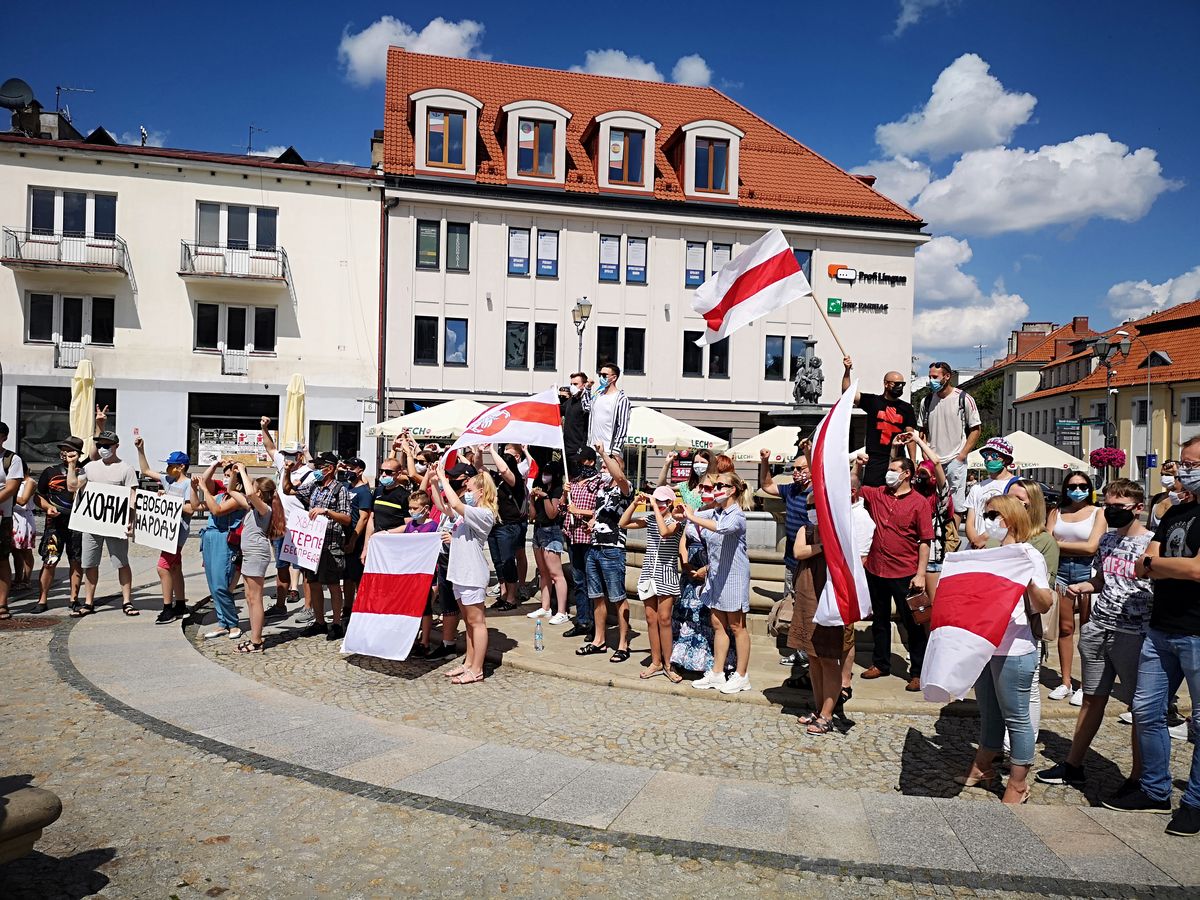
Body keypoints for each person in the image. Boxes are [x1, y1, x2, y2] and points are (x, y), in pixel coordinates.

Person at [1105, 437, 1200, 836]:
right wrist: (1160, 564)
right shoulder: (1177, 511)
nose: (1183, 470)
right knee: (1145, 711)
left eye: (1191, 463)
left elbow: (1196, 570)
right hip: (1161, 628)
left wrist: (1157, 563)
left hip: (1196, 631)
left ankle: (1194, 802)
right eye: (1182, 462)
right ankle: (1155, 788)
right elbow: (1144, 566)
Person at [1037, 479, 1152, 792]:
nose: (1112, 512)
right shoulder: (1107, 542)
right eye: (1108, 506)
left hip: (1133, 632)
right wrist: (1082, 587)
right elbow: (1102, 580)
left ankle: (1138, 777)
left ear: (1138, 509)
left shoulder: (1151, 543)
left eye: (1119, 507)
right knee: (1091, 698)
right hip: (1099, 626)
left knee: (1137, 707)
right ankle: (1074, 764)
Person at [956, 495, 1055, 804]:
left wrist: (1026, 582)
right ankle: (983, 766)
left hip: (1015, 645)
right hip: (987, 644)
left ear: (1008, 519)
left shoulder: (1028, 555)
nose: (986, 520)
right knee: (989, 711)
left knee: (1017, 717)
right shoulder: (991, 552)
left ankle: (1018, 782)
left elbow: (1044, 603)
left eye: (991, 514)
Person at [858, 455, 933, 692]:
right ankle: (880, 663)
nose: (888, 473)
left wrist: (920, 574)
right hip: (876, 568)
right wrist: (858, 465)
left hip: (905, 572)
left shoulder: (919, 502)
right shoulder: (879, 493)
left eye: (893, 469)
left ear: (906, 474)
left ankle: (919, 672)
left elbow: (925, 540)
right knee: (879, 620)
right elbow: (855, 486)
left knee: (913, 624)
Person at [1001, 478, 1059, 749]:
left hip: (1026, 622)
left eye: (1020, 501)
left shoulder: (1042, 541)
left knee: (1029, 689)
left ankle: (1020, 744)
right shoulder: (997, 536)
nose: (1013, 505)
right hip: (999, 623)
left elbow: (1044, 587)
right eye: (1009, 499)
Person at [431, 459, 498, 684]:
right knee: (468, 622)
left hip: (472, 573)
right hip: (459, 572)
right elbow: (445, 507)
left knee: (476, 621)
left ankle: (477, 668)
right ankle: (468, 663)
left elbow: (457, 505)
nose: (465, 493)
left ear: (481, 491)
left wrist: (443, 478)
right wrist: (434, 481)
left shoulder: (485, 513)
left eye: (469, 490)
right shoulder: (468, 513)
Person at [65, 412, 138, 618]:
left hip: (116, 524)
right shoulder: (90, 467)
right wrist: (72, 465)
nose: (103, 449)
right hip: (92, 524)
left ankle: (127, 601)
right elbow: (73, 486)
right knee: (90, 563)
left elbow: (132, 497)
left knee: (121, 562)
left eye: (107, 445)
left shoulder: (126, 468)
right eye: (100, 445)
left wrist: (131, 522)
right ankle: (89, 602)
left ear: (115, 446)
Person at [686, 472, 753, 694]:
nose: (715, 488)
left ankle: (742, 675)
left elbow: (722, 529)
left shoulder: (737, 515)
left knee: (737, 626)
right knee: (718, 624)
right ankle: (717, 672)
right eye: (714, 485)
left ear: (732, 490)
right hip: (716, 576)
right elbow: (697, 523)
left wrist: (692, 517)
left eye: (720, 485)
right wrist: (682, 516)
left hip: (733, 577)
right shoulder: (715, 512)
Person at [1047, 470, 1105, 704]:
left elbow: (1092, 547)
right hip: (1061, 572)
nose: (1077, 490)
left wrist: (1061, 545)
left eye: (1082, 485)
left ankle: (1086, 684)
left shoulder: (1098, 513)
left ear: (1089, 488)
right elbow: (1048, 542)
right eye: (1072, 486)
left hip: (1086, 571)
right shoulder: (1057, 511)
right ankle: (1066, 682)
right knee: (1065, 628)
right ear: (1065, 489)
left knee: (1088, 630)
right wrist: (1070, 546)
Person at [282, 451, 352, 641]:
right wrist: (286, 472)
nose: (316, 470)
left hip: (330, 544)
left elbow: (346, 518)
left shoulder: (340, 490)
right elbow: (288, 490)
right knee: (313, 583)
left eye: (320, 467)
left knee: (333, 585)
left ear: (330, 469)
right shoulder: (314, 486)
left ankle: (336, 623)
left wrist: (327, 512)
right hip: (312, 547)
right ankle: (320, 622)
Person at [576, 445, 634, 662]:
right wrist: (592, 522)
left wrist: (603, 454)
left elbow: (619, 476)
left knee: (618, 597)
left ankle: (623, 644)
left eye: (607, 465)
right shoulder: (602, 489)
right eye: (602, 466)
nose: (603, 468)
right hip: (595, 546)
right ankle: (599, 640)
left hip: (613, 549)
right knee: (597, 596)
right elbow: (600, 513)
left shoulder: (625, 487)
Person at [621, 485, 683, 682]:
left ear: (670, 502)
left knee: (665, 619)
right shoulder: (650, 518)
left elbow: (665, 532)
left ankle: (668, 663)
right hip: (649, 572)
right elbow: (623, 523)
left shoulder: (678, 521)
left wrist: (655, 507)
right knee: (650, 618)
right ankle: (656, 662)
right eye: (658, 500)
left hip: (666, 572)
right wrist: (635, 503)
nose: (660, 504)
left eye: (664, 501)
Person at [134, 438, 196, 625]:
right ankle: (180, 604)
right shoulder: (168, 479)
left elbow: (190, 509)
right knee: (175, 568)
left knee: (163, 567)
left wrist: (169, 499)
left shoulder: (187, 484)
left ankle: (168, 608)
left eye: (172, 465)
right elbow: (145, 471)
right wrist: (141, 450)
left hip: (177, 533)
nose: (169, 468)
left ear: (182, 467)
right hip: (167, 532)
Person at [759, 447, 812, 666]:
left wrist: (811, 456)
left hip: (810, 559)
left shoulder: (816, 491)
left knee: (808, 606)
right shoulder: (791, 489)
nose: (796, 472)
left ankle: (810, 651)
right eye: (794, 469)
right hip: (792, 559)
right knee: (793, 603)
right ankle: (799, 650)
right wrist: (765, 461)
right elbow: (767, 486)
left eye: (801, 468)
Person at [916, 361, 982, 528]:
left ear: (947, 376)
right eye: (930, 377)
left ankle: (950, 540)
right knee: (928, 499)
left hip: (954, 459)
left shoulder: (963, 398)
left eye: (935, 377)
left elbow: (976, 429)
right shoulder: (927, 400)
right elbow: (922, 430)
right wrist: (925, 453)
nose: (931, 380)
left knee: (956, 503)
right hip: (932, 459)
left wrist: (962, 456)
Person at [227, 466, 284, 653]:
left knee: (256, 597)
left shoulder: (264, 509)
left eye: (253, 486)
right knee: (250, 596)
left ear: (259, 492)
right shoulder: (252, 507)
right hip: (250, 554)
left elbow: (250, 493)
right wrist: (235, 473)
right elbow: (231, 490)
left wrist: (244, 470)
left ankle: (257, 641)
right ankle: (255, 635)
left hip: (257, 554)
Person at [841, 355, 917, 487]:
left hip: (898, 459)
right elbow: (848, 393)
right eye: (896, 384)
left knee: (895, 493)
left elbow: (910, 437)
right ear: (886, 384)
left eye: (902, 384)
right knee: (872, 491)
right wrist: (847, 371)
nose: (899, 387)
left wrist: (913, 460)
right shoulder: (873, 401)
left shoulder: (907, 408)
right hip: (875, 458)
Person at [261, 417, 310, 614]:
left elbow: (292, 490)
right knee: (281, 566)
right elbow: (270, 448)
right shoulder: (282, 463)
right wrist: (264, 428)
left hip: (299, 526)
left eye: (291, 455)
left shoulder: (307, 472)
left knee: (303, 567)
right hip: (281, 524)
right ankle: (280, 605)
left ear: (299, 456)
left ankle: (308, 606)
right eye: (285, 455)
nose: (287, 459)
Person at [193, 460, 247, 638]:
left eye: (228, 475)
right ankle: (222, 622)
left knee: (221, 584)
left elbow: (216, 511)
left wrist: (205, 490)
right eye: (224, 475)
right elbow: (195, 505)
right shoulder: (219, 495)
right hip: (209, 538)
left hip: (224, 540)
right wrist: (215, 464)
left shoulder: (237, 498)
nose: (225, 478)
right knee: (212, 584)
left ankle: (233, 623)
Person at [898, 432, 952, 600]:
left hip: (932, 560)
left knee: (932, 604)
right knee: (917, 607)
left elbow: (935, 462)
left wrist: (917, 440)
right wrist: (896, 447)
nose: (919, 478)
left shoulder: (940, 499)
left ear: (933, 477)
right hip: (911, 558)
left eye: (923, 474)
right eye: (917, 474)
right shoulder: (912, 496)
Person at [34, 436, 84, 614]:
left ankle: (74, 599)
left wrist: (99, 426)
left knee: (76, 561)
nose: (64, 452)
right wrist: (47, 507)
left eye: (69, 449)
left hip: (77, 525)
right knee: (49, 560)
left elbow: (74, 487)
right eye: (62, 448)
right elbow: (38, 496)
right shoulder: (49, 471)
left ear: (77, 453)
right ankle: (42, 600)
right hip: (55, 524)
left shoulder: (83, 471)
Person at [475, 444, 526, 612]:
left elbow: (506, 471)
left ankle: (511, 597)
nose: (504, 459)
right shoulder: (496, 478)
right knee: (498, 562)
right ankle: (503, 594)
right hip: (495, 525)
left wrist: (492, 450)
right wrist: (480, 451)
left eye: (508, 456)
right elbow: (479, 467)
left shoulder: (515, 479)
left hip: (509, 526)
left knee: (508, 561)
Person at [673, 477, 717, 675]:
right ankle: (683, 659)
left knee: (706, 617)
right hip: (690, 567)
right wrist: (685, 562)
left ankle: (707, 662)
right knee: (686, 614)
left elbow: (723, 549)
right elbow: (684, 539)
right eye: (701, 487)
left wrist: (705, 569)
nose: (703, 490)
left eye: (708, 487)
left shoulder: (720, 514)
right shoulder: (695, 511)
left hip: (710, 569)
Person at [393, 490, 440, 654]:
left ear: (425, 508)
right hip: (410, 574)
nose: (411, 511)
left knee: (425, 609)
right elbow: (401, 530)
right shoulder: (411, 525)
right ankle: (410, 638)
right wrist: (383, 534)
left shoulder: (432, 526)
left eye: (415, 508)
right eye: (410, 508)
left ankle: (425, 641)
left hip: (425, 575)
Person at [563, 447, 599, 640]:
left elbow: (600, 509)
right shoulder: (574, 482)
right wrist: (564, 494)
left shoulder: (598, 482)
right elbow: (565, 507)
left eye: (581, 461)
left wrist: (580, 511)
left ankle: (595, 623)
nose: (578, 464)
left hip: (588, 536)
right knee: (578, 581)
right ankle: (583, 620)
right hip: (573, 535)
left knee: (592, 580)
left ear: (590, 461)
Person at [526, 466, 570, 625]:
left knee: (556, 574)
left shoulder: (557, 491)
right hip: (538, 531)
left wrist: (544, 497)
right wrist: (532, 499)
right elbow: (532, 516)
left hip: (552, 532)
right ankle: (545, 607)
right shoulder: (542, 489)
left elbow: (552, 513)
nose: (545, 476)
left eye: (548, 473)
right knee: (543, 573)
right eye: (543, 473)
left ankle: (562, 611)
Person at [964, 437, 1018, 549]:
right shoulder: (977, 487)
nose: (988, 458)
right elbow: (970, 522)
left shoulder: (1016, 486)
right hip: (975, 548)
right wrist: (975, 541)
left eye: (994, 455)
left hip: (1001, 548)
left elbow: (1014, 520)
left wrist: (985, 539)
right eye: (986, 455)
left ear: (1006, 460)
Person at [340, 457, 373, 622]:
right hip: (342, 535)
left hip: (355, 537)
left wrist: (353, 540)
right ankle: (347, 606)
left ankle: (361, 607)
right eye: (348, 467)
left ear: (360, 470)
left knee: (357, 576)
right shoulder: (345, 487)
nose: (349, 470)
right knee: (346, 576)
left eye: (352, 468)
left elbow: (364, 518)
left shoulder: (364, 492)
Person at [0, 421, 25, 620]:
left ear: (4, 437)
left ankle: (2, 604)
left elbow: (11, 488)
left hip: (2, 516)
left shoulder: (11, 459)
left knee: (1, 560)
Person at [582, 361, 631, 461]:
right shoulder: (598, 394)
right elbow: (586, 407)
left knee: (608, 476)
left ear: (614, 377)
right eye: (600, 374)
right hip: (592, 449)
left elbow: (622, 425)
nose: (601, 377)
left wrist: (616, 450)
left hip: (609, 450)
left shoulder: (621, 399)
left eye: (604, 375)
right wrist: (587, 389)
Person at [559, 372, 591, 478]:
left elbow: (587, 427)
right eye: (571, 384)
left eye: (576, 384)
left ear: (584, 384)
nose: (572, 387)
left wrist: (582, 449)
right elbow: (558, 410)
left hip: (578, 449)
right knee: (567, 480)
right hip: (566, 449)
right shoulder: (570, 401)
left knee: (578, 479)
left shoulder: (585, 403)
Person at [11, 473, 37, 591]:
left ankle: (26, 579)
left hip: (24, 518)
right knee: (15, 551)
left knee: (26, 550)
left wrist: (8, 493)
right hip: (12, 516)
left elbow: (23, 500)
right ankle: (17, 579)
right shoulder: (12, 481)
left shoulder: (30, 482)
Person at [1147, 459, 1180, 530]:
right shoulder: (1156, 498)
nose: (1164, 477)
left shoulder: (1182, 499)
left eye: (1168, 474)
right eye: (1162, 474)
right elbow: (1148, 526)